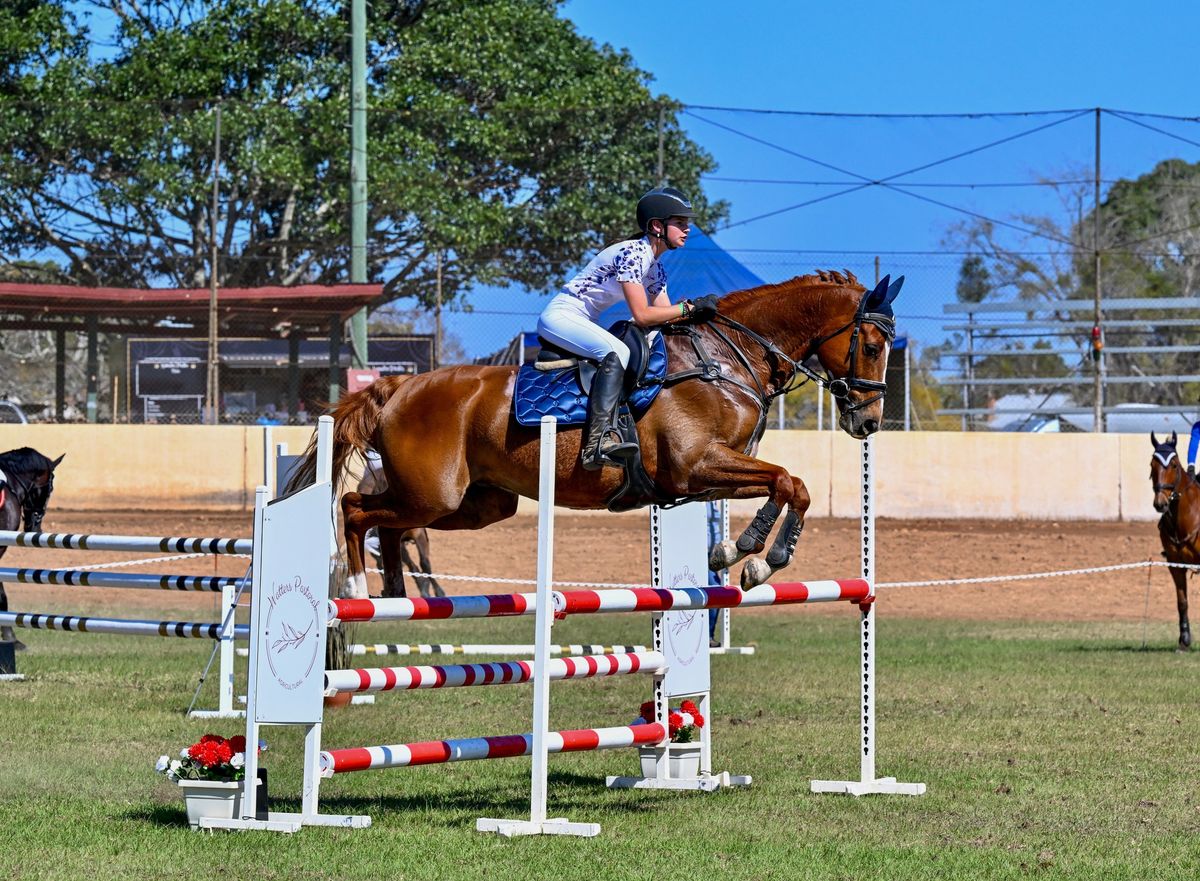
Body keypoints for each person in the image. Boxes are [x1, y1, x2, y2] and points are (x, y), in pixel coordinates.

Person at [536, 187, 719, 470]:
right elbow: (644, 315)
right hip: (561, 316)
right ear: (657, 226)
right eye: (680, 223)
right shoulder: (634, 253)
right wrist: (688, 308)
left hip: (583, 320)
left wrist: (697, 314)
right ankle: (597, 443)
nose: (687, 229)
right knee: (617, 350)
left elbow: (664, 317)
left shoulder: (655, 268)